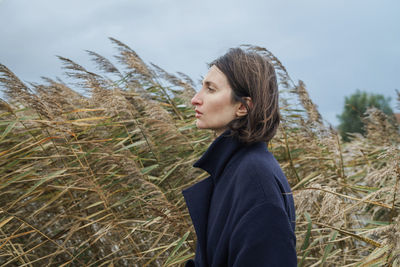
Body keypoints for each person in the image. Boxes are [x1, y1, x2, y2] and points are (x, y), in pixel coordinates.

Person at [182, 47, 297, 266]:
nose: (195, 99)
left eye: (211, 89)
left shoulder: (256, 181)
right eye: (202, 86)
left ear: (243, 107)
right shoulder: (234, 169)